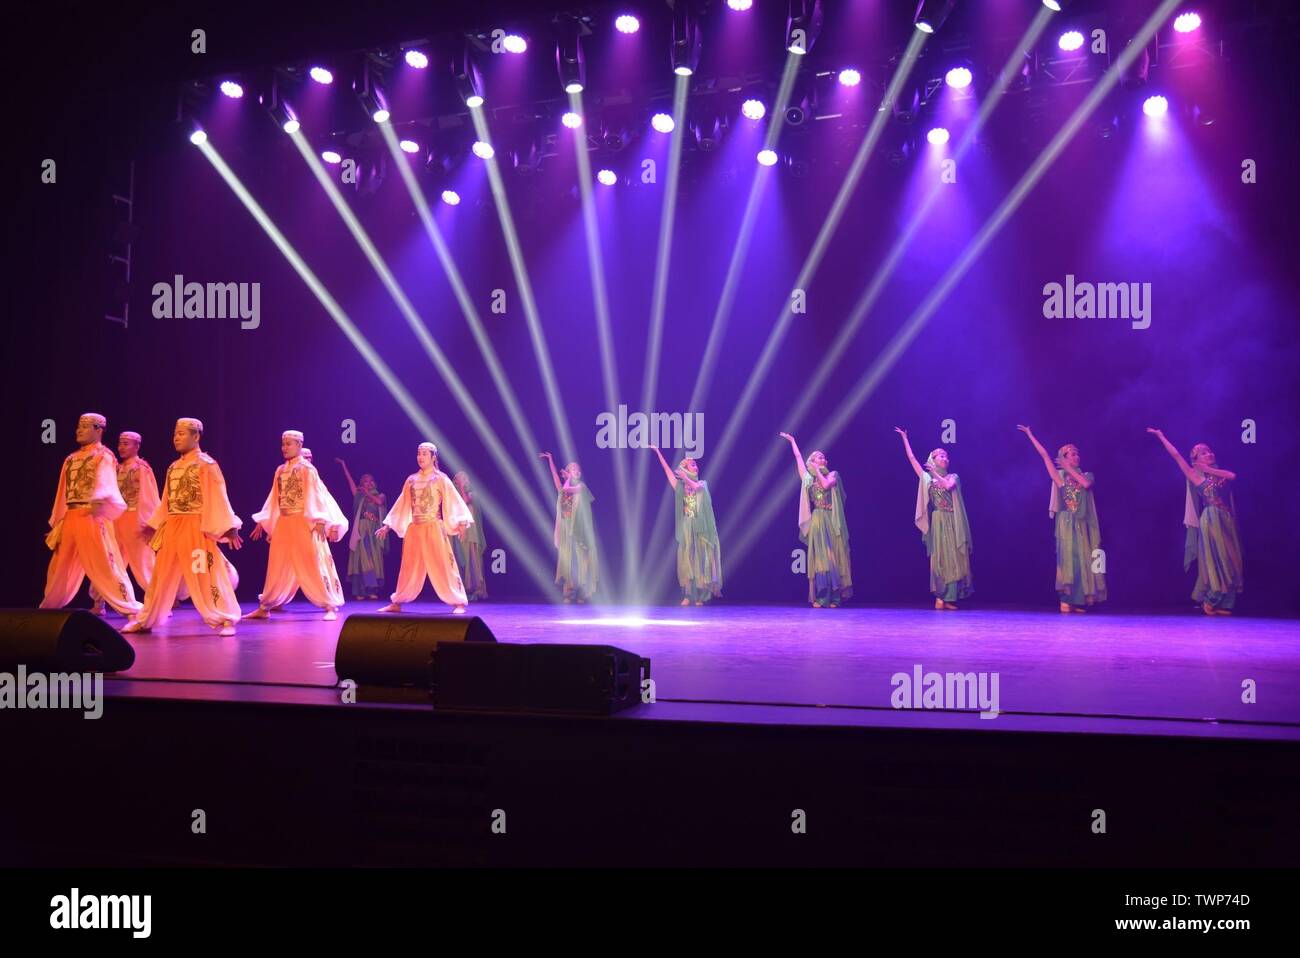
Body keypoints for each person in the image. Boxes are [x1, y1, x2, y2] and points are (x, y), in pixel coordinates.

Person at [123, 418, 243, 636]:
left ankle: (225, 618)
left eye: (181, 433)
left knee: (203, 573)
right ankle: (146, 619)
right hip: (173, 529)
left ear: (195, 436)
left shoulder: (206, 465)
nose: (176, 438)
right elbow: (166, 501)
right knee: (160, 576)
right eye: (175, 434)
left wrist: (229, 524)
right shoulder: (174, 467)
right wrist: (155, 525)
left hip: (196, 528)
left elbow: (218, 496)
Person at [41, 413, 142, 617]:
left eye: (85, 427)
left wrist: (100, 500)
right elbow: (62, 494)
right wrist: (57, 524)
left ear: (99, 430)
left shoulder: (103, 455)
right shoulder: (70, 459)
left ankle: (130, 608)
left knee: (106, 563)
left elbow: (106, 483)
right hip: (71, 518)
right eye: (78, 426)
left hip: (92, 516)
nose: (79, 430)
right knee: (59, 566)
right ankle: (48, 607)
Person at [247, 431, 348, 621]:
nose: (284, 448)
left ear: (299, 445)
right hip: (285, 522)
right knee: (276, 563)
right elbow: (274, 499)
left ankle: (329, 604)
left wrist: (319, 520)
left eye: (289, 444)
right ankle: (265, 605)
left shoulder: (307, 469)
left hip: (303, 521)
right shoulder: (280, 470)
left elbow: (316, 495)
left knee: (313, 562)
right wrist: (264, 521)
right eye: (283, 444)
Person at [1148, 428, 1243, 615]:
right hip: (1211, 518)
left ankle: (1225, 602)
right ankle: (1211, 599)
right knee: (1218, 559)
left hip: (1226, 519)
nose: (1209, 453)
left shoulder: (1219, 472)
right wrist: (1161, 436)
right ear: (1196, 459)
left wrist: (1209, 468)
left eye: (1209, 451)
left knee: (1232, 560)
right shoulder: (1194, 475)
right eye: (1204, 453)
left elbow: (1233, 476)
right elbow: (1175, 455)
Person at [1017, 426, 1106, 612]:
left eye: (1076, 454)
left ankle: (1079, 599)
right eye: (1071, 454)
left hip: (1082, 523)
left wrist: (1068, 468)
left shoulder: (1087, 475)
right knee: (1070, 560)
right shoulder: (1059, 478)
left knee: (1084, 560)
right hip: (1066, 523)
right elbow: (1044, 455)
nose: (1076, 456)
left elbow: (1085, 484)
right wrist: (1030, 434)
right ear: (1064, 457)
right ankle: (1067, 598)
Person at [376, 442, 472, 613]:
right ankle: (397, 601)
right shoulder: (411, 480)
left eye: (424, 454)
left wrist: (462, 522)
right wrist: (387, 525)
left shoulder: (441, 479)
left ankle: (458, 602)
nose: (420, 457)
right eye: (419, 453)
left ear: (433, 457)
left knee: (444, 565)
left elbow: (454, 501)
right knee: (408, 567)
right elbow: (402, 504)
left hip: (434, 526)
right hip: (415, 528)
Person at [895, 427, 972, 609]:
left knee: (954, 557)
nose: (945, 458)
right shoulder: (927, 478)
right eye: (941, 456)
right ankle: (940, 596)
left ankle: (950, 597)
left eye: (946, 456)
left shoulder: (954, 476)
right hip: (938, 521)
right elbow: (912, 459)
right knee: (940, 559)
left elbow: (948, 487)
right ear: (933, 460)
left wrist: (935, 473)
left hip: (953, 520)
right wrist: (905, 438)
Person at [779, 432, 851, 607]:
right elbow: (798, 457)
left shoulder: (833, 474)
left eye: (823, 457)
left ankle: (835, 596)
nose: (822, 458)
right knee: (820, 559)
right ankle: (821, 596)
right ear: (812, 461)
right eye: (818, 457)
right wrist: (793, 441)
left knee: (832, 558)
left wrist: (817, 470)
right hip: (818, 520)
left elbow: (826, 485)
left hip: (831, 520)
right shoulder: (809, 479)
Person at [647, 446, 722, 606]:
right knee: (687, 561)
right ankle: (689, 594)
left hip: (701, 529)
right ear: (685, 469)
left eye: (695, 464)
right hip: (687, 529)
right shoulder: (680, 487)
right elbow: (666, 469)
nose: (696, 466)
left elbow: (696, 488)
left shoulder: (702, 483)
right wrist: (658, 452)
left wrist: (685, 477)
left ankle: (701, 596)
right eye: (691, 465)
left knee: (701, 562)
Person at [539, 452, 598, 603]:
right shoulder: (562, 488)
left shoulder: (581, 486)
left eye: (576, 469)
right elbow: (558, 481)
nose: (575, 471)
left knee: (580, 561)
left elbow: (568, 490)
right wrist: (551, 460)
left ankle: (581, 592)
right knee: (567, 561)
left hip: (577, 531)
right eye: (572, 469)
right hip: (566, 529)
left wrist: (570, 478)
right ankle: (568, 591)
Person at [336, 458, 389, 600]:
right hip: (362, 530)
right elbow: (351, 484)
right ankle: (360, 591)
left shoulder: (380, 495)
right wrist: (344, 466)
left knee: (373, 560)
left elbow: (379, 502)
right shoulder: (360, 496)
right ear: (361, 484)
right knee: (361, 559)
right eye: (365, 481)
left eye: (371, 480)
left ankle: (372, 590)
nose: (369, 483)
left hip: (374, 531)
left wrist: (367, 492)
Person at [452, 471, 488, 600]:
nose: (463, 481)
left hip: (472, 535)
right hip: (461, 533)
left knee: (473, 562)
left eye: (464, 478)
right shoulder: (455, 495)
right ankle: (462, 591)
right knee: (461, 560)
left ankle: (476, 590)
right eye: (459, 479)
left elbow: (466, 501)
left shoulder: (473, 493)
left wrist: (461, 486)